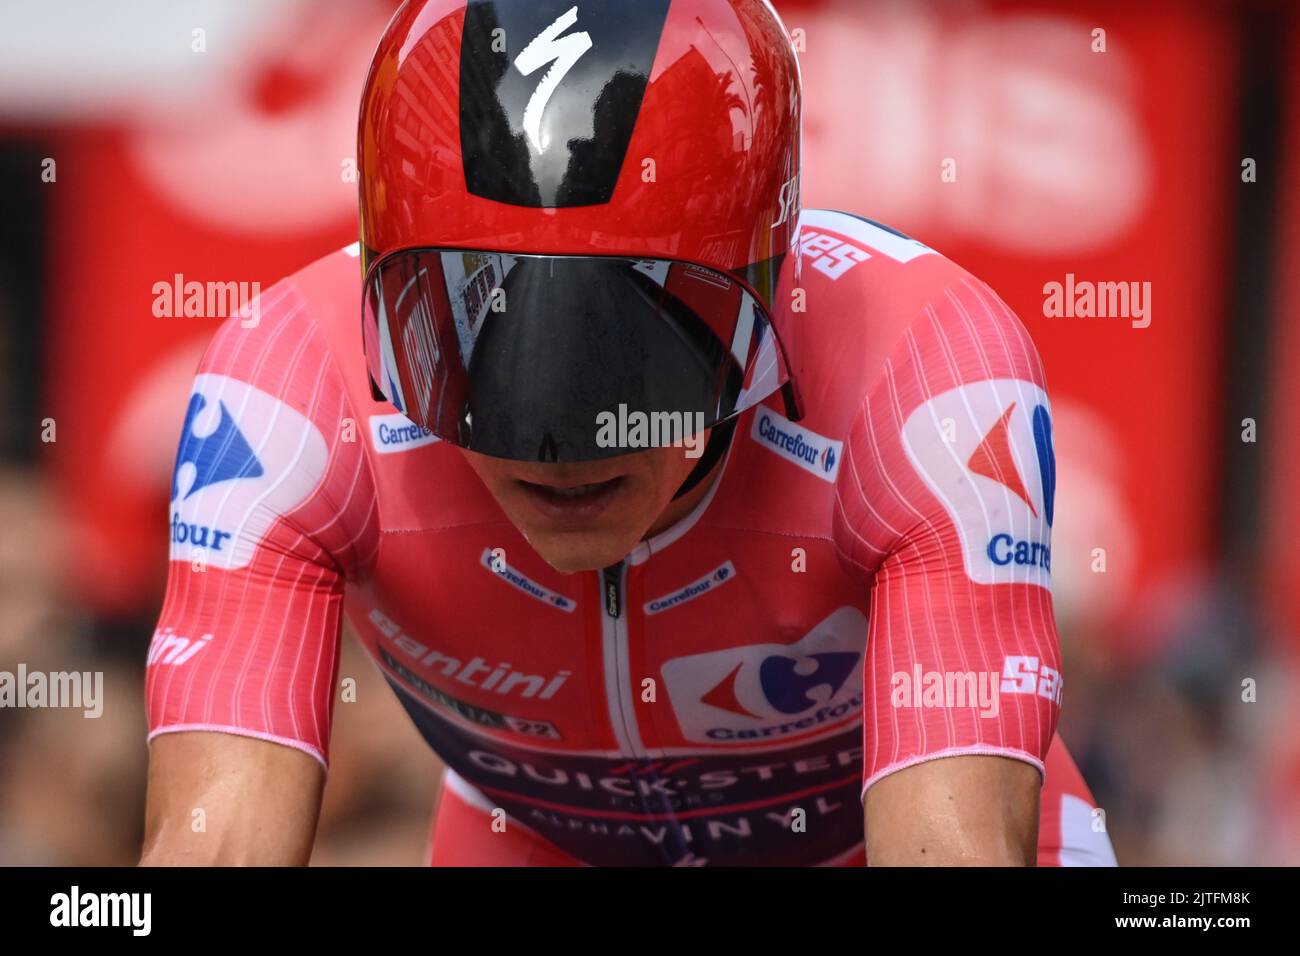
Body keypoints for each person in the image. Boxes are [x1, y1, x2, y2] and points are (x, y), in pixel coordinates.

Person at [139, 0, 1117, 867]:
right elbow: (213, 849)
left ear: (771, 285)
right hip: (536, 838)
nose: (554, 445)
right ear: (379, 296)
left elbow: (949, 850)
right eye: (479, 355)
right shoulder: (288, 385)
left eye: (633, 353)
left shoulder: (924, 369)